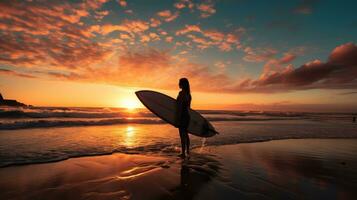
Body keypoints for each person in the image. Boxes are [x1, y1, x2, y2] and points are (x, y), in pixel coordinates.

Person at [176, 78, 192, 158]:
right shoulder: (189, 94)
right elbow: (188, 107)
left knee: (182, 135)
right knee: (186, 134)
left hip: (182, 116)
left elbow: (179, 107)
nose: (178, 84)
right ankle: (188, 151)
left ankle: (183, 153)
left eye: (179, 83)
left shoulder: (181, 93)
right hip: (187, 116)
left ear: (182, 84)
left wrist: (177, 118)